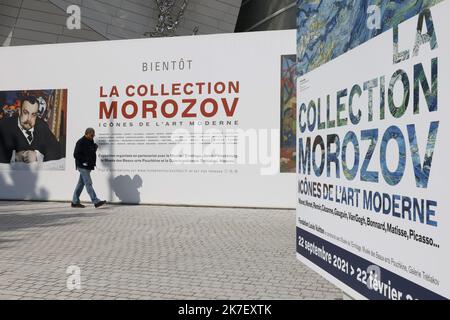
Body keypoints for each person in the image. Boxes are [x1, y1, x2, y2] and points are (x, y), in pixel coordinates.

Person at [0, 96, 62, 164]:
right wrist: (15, 157)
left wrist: (37, 156)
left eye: (33, 115)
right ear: (20, 111)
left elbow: (57, 150)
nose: (29, 119)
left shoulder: (41, 125)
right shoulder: (4, 125)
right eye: (26, 112)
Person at [71, 128, 106, 208]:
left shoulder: (90, 141)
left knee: (80, 184)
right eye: (91, 135)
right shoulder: (80, 142)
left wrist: (94, 148)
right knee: (88, 183)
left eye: (93, 135)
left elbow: (90, 152)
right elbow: (76, 155)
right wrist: (85, 161)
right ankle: (96, 201)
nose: (93, 137)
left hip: (88, 166)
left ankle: (75, 202)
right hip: (82, 166)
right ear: (86, 134)